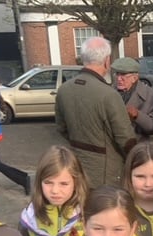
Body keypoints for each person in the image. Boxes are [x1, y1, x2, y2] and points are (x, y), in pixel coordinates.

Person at [55, 36, 137, 186]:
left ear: (83, 59)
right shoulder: (109, 95)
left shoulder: (64, 90)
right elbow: (125, 139)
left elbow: (61, 128)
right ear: (107, 61)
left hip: (77, 165)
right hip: (107, 172)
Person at [111, 57, 153, 138]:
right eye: (117, 74)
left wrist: (138, 115)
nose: (119, 78)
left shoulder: (150, 95)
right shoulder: (109, 92)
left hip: (136, 146)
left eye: (123, 74)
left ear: (134, 78)